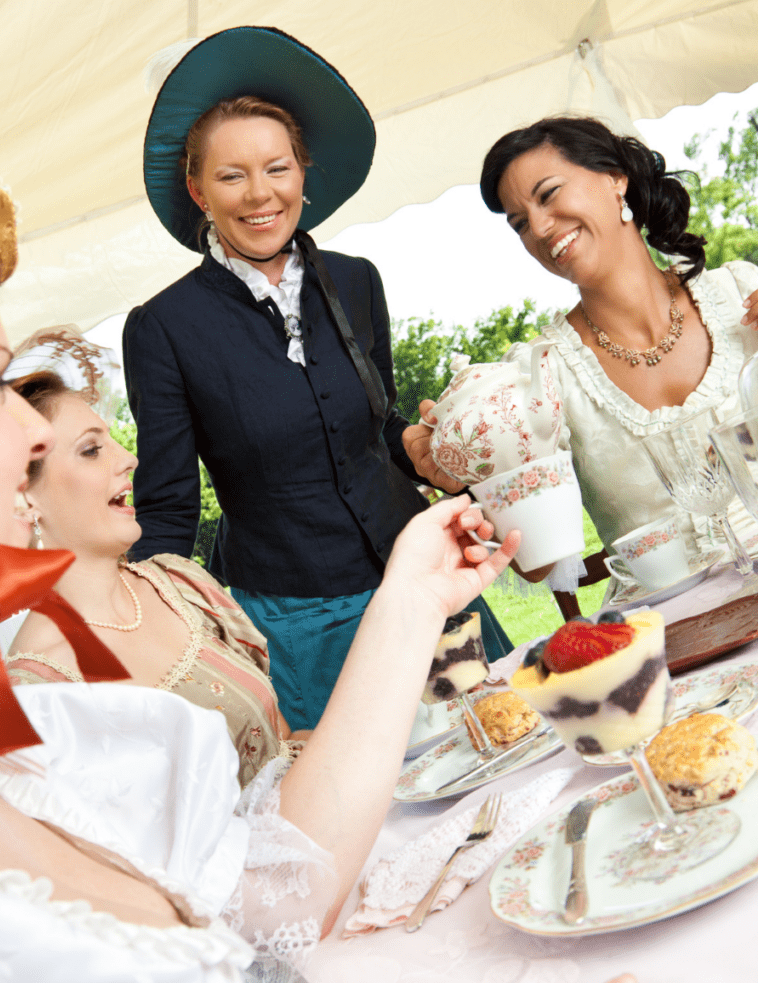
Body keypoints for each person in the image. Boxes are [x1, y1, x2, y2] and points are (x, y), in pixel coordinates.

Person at [0, 89, 661, 983]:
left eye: (278, 167)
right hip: (290, 599)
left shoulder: (10, 739)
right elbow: (170, 504)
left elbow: (264, 908)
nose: (36, 435)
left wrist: (412, 590)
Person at [123, 27, 511, 730]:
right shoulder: (163, 326)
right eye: (231, 175)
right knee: (366, 818)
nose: (259, 194)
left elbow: (374, 424)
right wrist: (145, 622)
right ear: (197, 190)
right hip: (299, 620)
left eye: (277, 168)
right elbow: (169, 505)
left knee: (495, 744)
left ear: (304, 171)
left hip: (417, 572)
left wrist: (416, 447)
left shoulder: (358, 282)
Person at [405, 115, 758, 578]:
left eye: (549, 194)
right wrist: (471, 478)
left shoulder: (742, 293)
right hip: (672, 628)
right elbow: (536, 563)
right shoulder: (540, 376)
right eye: (519, 223)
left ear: (614, 179)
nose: (538, 228)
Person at [5, 334, 304, 789]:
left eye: (113, 442)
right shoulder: (40, 692)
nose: (130, 458)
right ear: (23, 494)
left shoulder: (181, 584)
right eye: (91, 449)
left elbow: (281, 741)